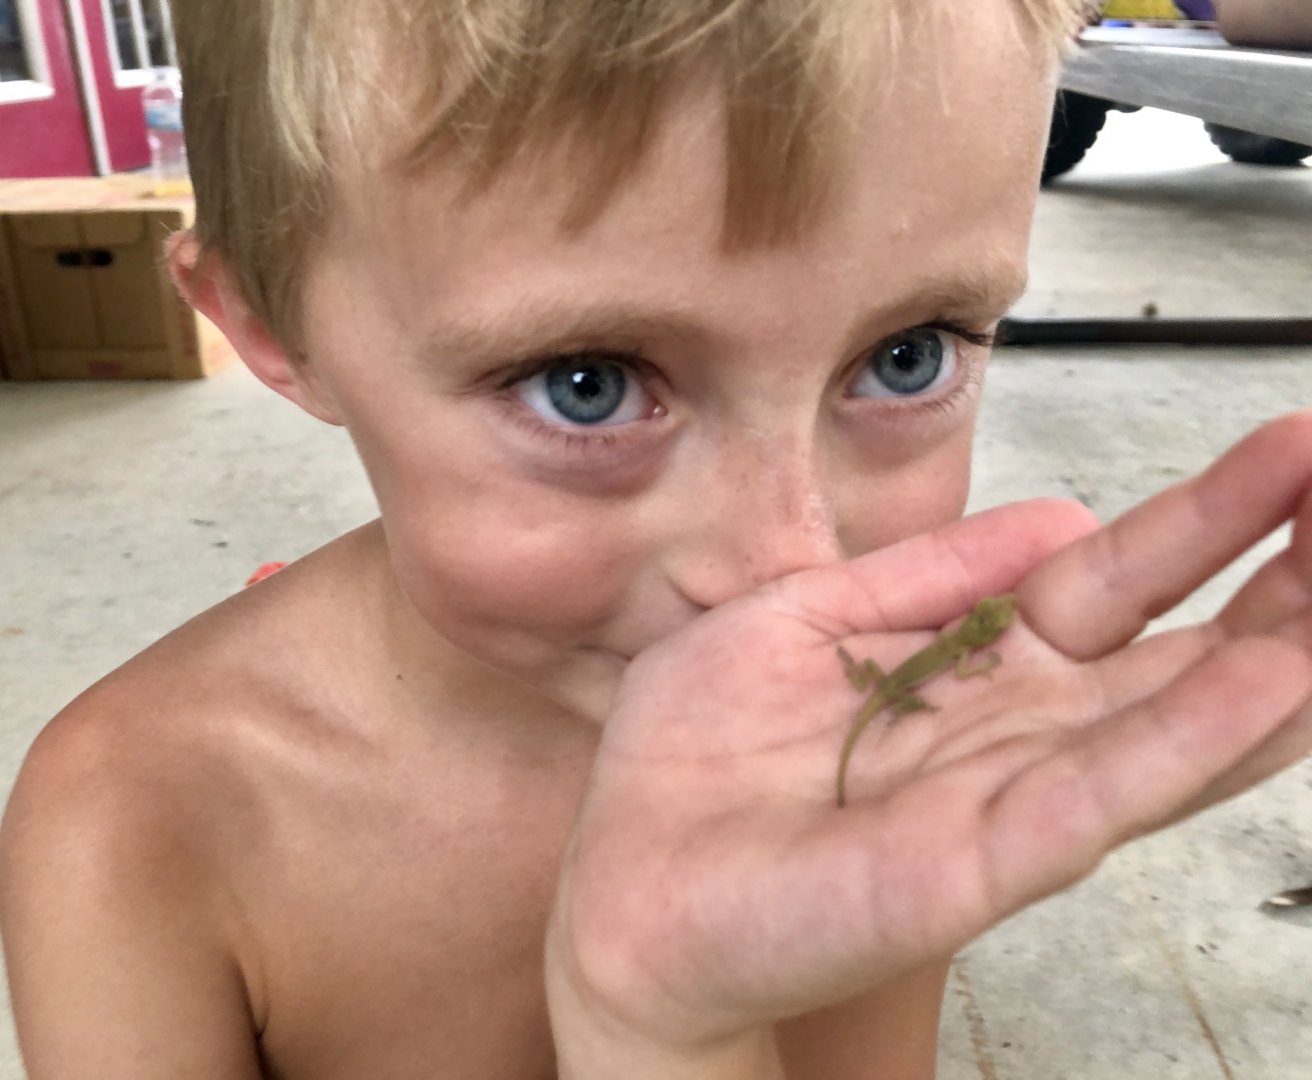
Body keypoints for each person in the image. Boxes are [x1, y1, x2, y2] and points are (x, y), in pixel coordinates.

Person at [4, 1, 1312, 1077]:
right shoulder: (136, 827)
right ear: (273, 327)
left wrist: (668, 1035)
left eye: (907, 357)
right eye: (587, 382)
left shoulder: (864, 742)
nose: (790, 569)